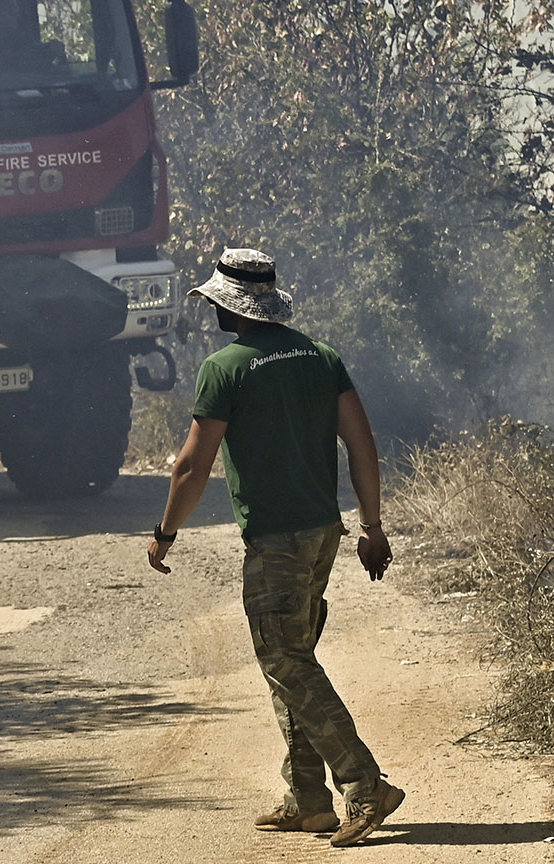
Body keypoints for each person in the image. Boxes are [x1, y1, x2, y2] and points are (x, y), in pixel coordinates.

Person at [145, 247, 403, 848]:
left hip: (276, 540)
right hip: (323, 535)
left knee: (285, 660)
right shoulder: (321, 358)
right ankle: (308, 798)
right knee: (292, 659)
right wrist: (372, 525)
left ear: (229, 307)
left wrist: (165, 533)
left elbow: (191, 466)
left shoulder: (225, 368)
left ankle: (365, 784)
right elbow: (362, 445)